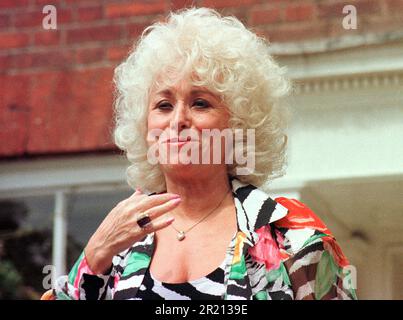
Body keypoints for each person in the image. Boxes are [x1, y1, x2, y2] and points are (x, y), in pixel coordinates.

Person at [45, 7, 356, 300]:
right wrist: (95, 255)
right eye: (164, 105)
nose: (178, 119)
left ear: (238, 124)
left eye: (200, 103)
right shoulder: (119, 244)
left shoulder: (291, 237)